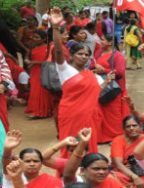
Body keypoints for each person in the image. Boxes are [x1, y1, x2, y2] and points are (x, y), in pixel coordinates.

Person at [49, 8, 104, 154]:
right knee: (70, 146)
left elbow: (98, 93)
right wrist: (55, 27)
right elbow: (58, 50)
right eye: (80, 54)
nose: (84, 56)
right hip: (70, 115)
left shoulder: (90, 74)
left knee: (88, 149)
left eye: (87, 54)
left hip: (88, 117)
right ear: (72, 55)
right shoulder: (64, 69)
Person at [95, 37, 129, 143]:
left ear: (110, 42)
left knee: (113, 114)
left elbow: (120, 72)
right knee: (102, 113)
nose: (100, 42)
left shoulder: (118, 56)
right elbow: (92, 65)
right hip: (101, 87)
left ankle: (115, 136)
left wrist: (104, 70)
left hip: (114, 89)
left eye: (103, 40)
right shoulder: (98, 53)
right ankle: (103, 136)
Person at [23, 30, 54, 119]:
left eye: (37, 37)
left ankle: (42, 112)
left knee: (43, 91)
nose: (34, 39)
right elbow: (27, 56)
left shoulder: (48, 48)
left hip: (44, 70)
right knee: (34, 91)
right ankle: (35, 110)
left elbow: (50, 61)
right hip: (34, 71)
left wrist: (35, 62)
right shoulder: (32, 47)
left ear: (43, 39)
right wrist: (27, 60)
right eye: (33, 37)